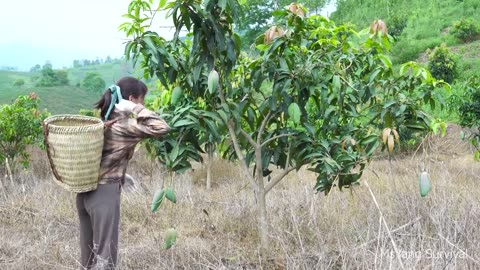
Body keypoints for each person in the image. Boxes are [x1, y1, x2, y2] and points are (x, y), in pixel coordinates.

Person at [76, 76, 170, 269]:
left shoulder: (104, 121)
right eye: (142, 99)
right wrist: (134, 108)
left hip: (84, 194)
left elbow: (106, 158)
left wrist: (123, 176)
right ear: (131, 98)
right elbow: (161, 127)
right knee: (105, 260)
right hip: (103, 195)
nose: (144, 103)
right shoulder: (124, 126)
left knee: (89, 260)